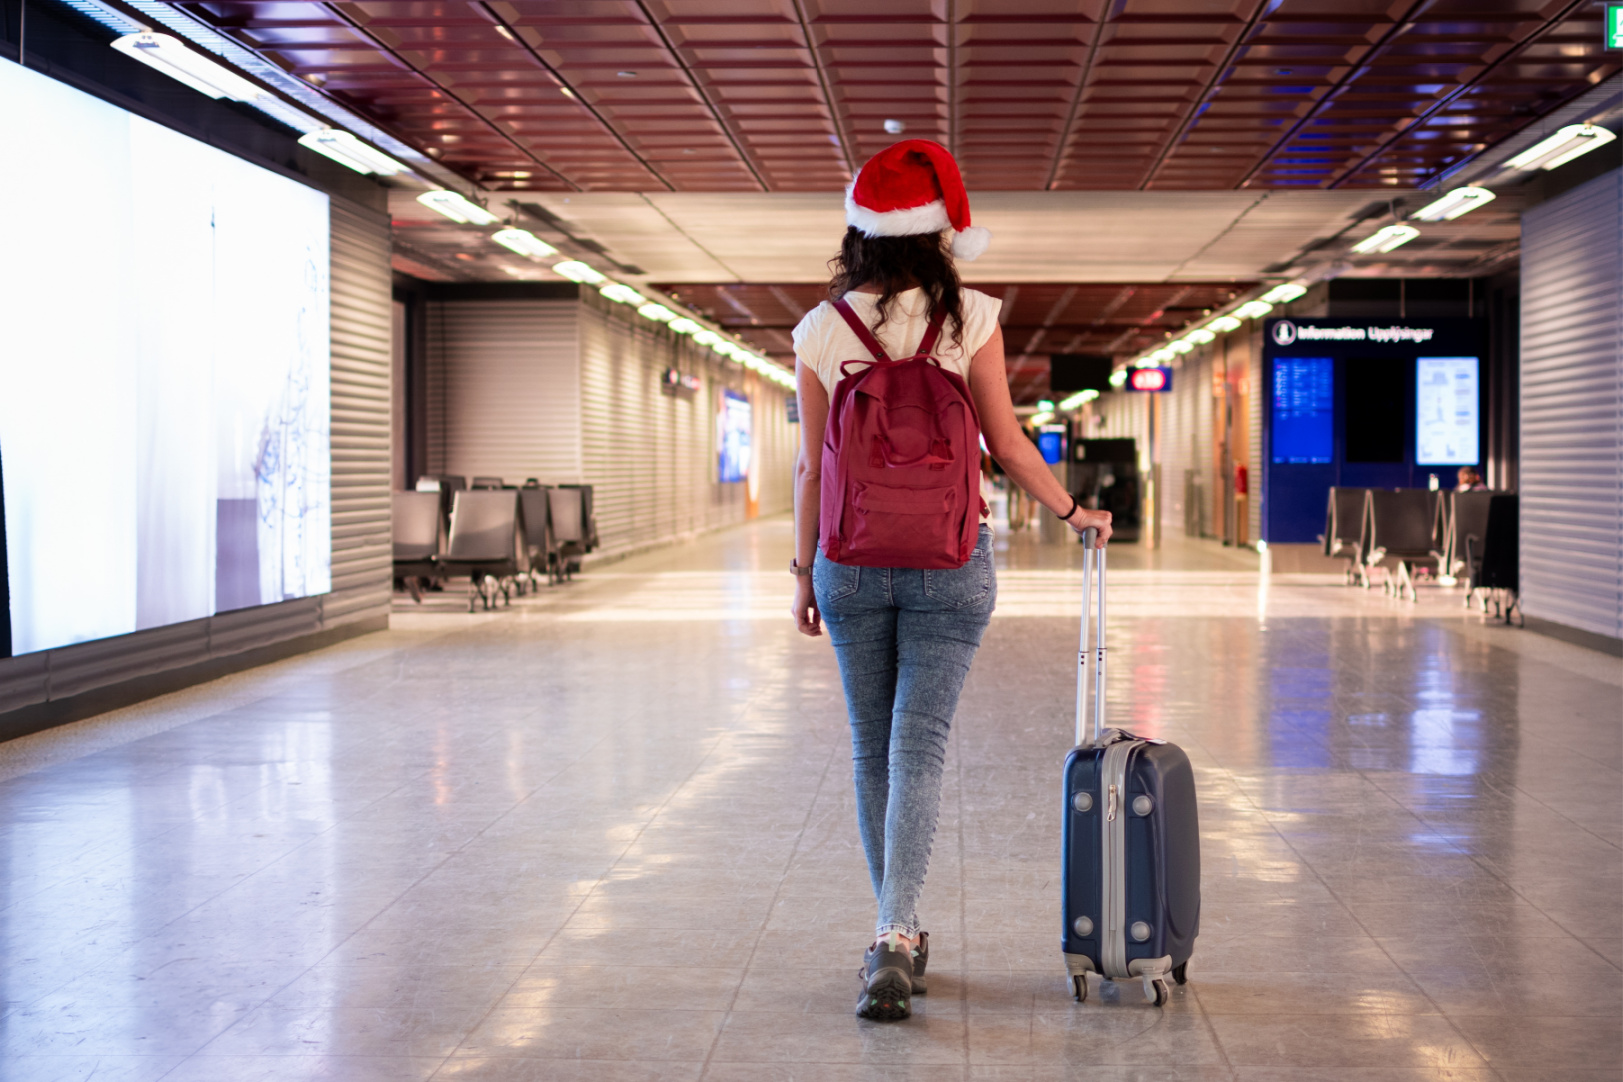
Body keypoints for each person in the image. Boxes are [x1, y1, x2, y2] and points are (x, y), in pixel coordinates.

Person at [788, 139, 1112, 1022]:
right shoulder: (971, 317)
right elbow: (1006, 444)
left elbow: (813, 468)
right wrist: (1072, 513)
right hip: (950, 560)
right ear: (939, 235)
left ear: (858, 233)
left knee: (871, 746)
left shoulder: (820, 329)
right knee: (917, 745)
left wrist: (802, 572)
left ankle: (893, 931)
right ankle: (897, 930)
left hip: (849, 561)